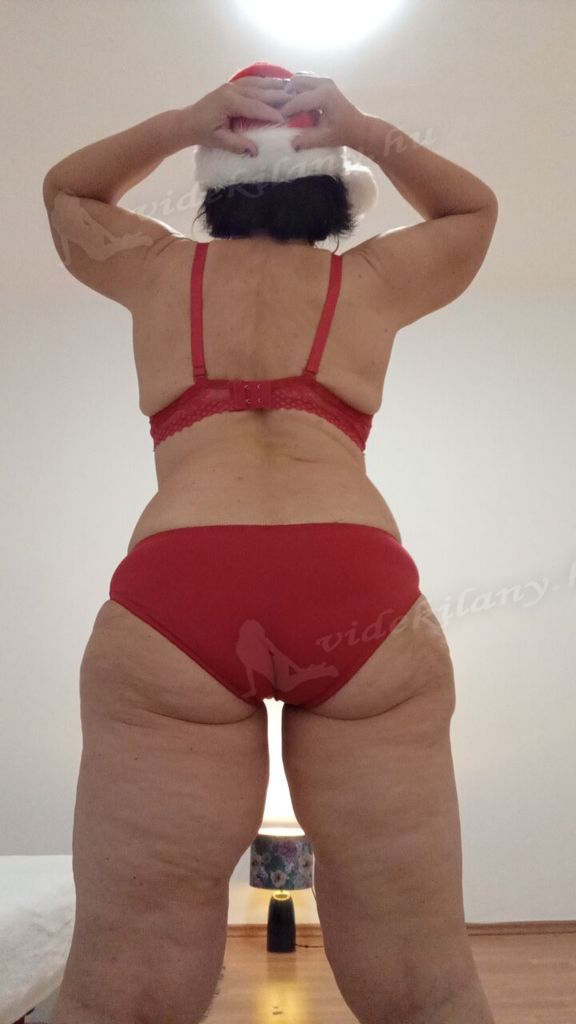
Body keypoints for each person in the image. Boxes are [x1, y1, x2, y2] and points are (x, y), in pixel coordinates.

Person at [43, 61, 498, 1024]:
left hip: (179, 594)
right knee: (429, 979)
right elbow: (472, 211)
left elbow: (68, 193)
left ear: (218, 177)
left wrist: (180, 121)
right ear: (331, 180)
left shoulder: (158, 267)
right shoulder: (371, 279)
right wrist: (365, 128)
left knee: (123, 978)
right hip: (357, 591)